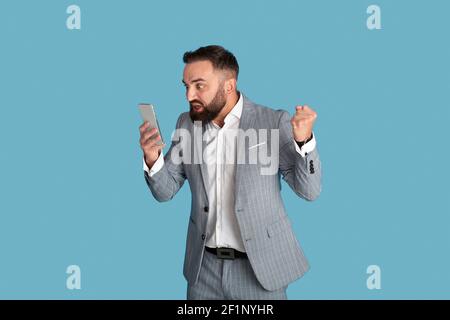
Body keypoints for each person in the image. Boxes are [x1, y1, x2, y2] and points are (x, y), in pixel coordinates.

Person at [139, 45, 321, 299]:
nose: (189, 95)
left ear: (228, 86)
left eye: (199, 85)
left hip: (259, 270)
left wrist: (305, 142)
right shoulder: (187, 124)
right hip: (204, 270)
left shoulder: (272, 122)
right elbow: (165, 191)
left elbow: (309, 191)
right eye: (186, 86)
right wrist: (152, 157)